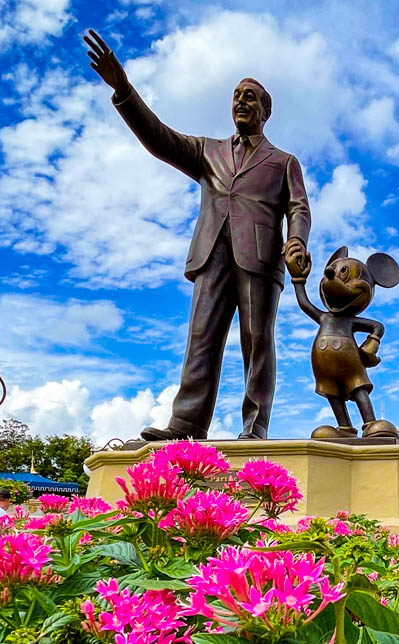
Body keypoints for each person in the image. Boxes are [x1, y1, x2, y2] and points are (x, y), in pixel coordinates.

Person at [83, 29, 311, 441]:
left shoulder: (283, 161)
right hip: (211, 254)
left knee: (257, 343)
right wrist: (124, 91)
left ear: (265, 111)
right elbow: (159, 138)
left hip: (261, 257)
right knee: (201, 338)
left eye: (250, 97)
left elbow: (298, 207)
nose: (241, 101)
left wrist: (296, 241)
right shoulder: (208, 151)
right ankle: (186, 424)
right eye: (236, 96)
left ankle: (254, 427)